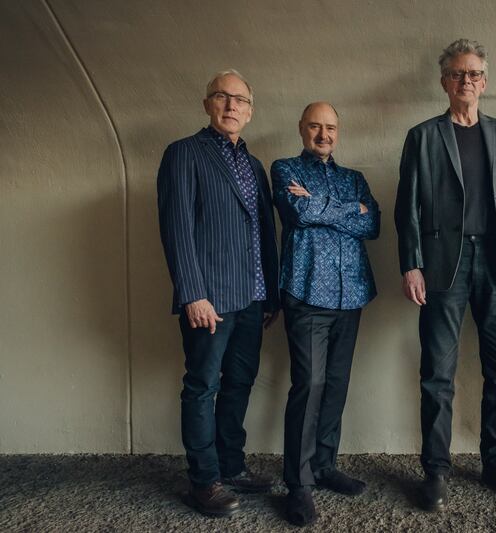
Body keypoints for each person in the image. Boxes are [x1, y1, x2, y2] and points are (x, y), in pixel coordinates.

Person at [395, 39, 496, 512]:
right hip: (442, 267)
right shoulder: (423, 136)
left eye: (474, 74)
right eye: (457, 73)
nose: (466, 81)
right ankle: (435, 470)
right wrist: (410, 263)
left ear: (485, 82)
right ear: (444, 82)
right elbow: (407, 206)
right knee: (437, 373)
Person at [157, 69, 280, 517]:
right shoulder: (183, 154)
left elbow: (265, 233)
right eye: (222, 97)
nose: (231, 106)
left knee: (240, 384)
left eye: (240, 100)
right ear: (208, 104)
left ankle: (232, 466)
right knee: (202, 386)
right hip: (208, 300)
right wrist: (193, 293)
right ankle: (204, 481)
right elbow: (177, 230)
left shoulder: (254, 165)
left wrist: (272, 296)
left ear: (250, 111)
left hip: (252, 298)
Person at [271, 102, 380, 526]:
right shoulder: (284, 170)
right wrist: (350, 210)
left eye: (330, 127)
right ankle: (298, 484)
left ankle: (324, 465)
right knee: (309, 383)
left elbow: (373, 225)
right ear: (301, 128)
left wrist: (325, 205)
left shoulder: (355, 178)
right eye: (315, 126)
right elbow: (298, 214)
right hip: (305, 291)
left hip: (351, 294)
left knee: (335, 382)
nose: (323, 134)